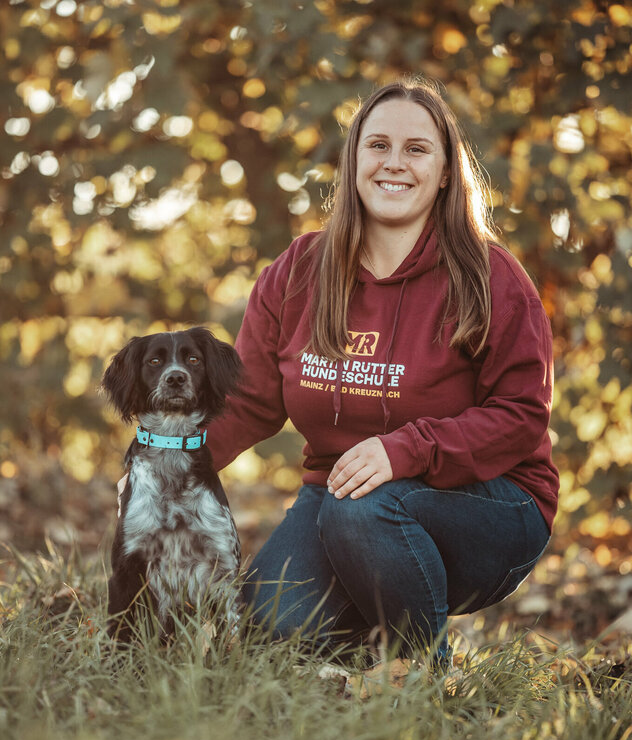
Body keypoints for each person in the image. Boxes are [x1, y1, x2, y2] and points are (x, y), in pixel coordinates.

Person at [125, 79, 559, 666]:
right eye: (377, 145)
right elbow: (250, 401)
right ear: (354, 160)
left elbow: (522, 418)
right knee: (269, 628)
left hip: (486, 506)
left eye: (417, 149)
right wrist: (159, 467)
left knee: (367, 508)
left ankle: (418, 670)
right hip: (334, 500)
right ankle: (368, 646)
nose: (394, 163)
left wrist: (403, 450)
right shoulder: (298, 271)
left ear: (447, 171)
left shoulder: (491, 277)